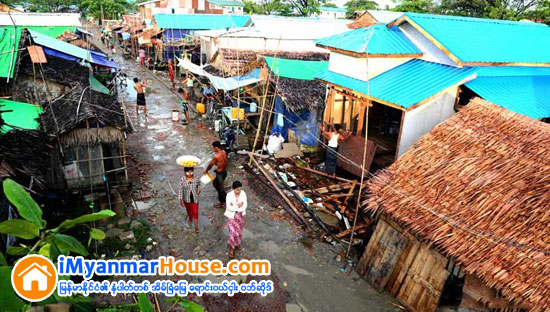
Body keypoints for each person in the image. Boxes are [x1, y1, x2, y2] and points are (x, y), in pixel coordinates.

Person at [225, 181, 247, 259]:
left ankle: (237, 243)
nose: (238, 191)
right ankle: (232, 248)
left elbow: (245, 205)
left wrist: (235, 206)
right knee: (232, 233)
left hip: (240, 216)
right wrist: (238, 206)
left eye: (239, 189)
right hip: (231, 216)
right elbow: (229, 207)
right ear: (233, 189)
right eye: (237, 190)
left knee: (239, 232)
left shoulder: (243, 193)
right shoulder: (229, 195)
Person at [205, 141, 228, 209]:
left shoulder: (216, 156)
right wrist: (218, 165)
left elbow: (210, 165)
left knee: (220, 188)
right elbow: (224, 161)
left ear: (216, 147)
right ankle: (224, 195)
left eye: (213, 147)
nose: (213, 149)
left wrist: (206, 171)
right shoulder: (224, 152)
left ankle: (222, 203)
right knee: (215, 184)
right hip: (224, 172)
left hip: (220, 174)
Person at [179, 167, 201, 234]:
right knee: (189, 211)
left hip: (195, 199)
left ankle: (196, 228)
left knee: (195, 213)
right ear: (185, 172)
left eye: (191, 171)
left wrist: (199, 190)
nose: (189, 173)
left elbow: (199, 185)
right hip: (187, 199)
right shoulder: (182, 180)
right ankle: (190, 218)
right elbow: (180, 190)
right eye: (188, 171)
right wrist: (181, 200)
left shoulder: (196, 178)